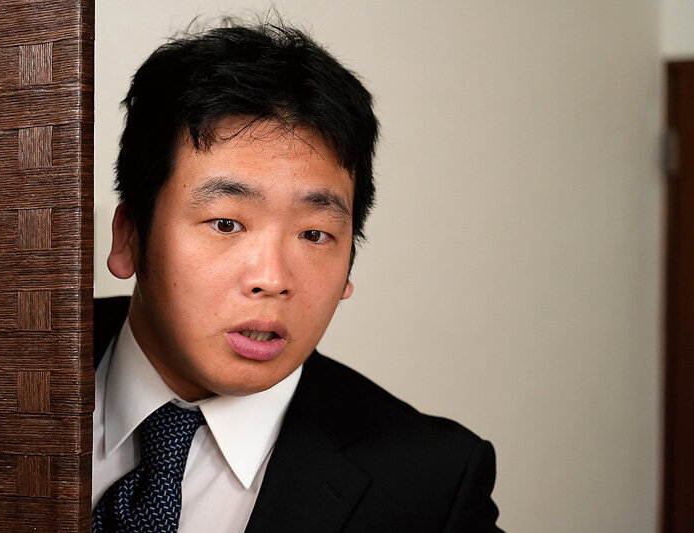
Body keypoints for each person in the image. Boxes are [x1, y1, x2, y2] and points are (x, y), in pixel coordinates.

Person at [92, 21, 503, 533]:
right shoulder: (1, 373)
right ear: (129, 237)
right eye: (226, 224)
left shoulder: (430, 486)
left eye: (314, 234)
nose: (272, 279)